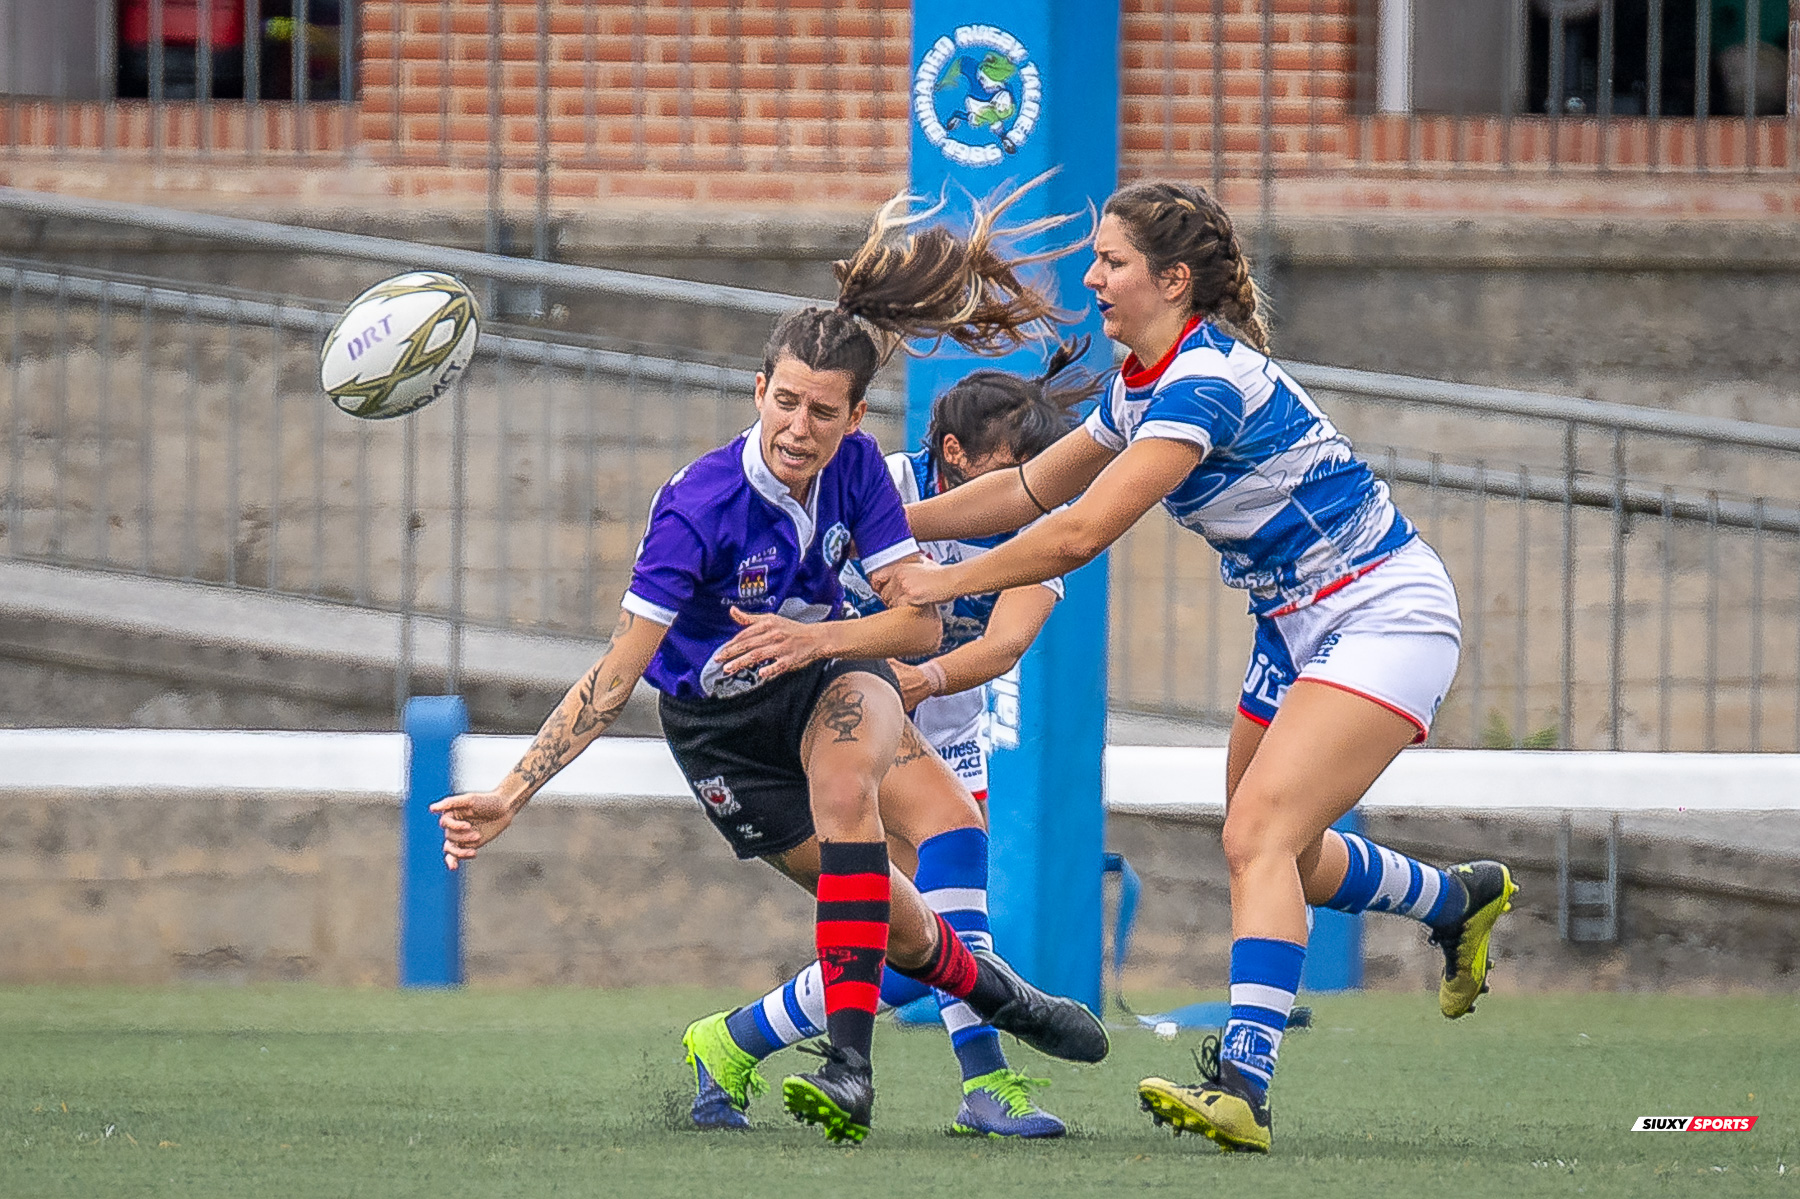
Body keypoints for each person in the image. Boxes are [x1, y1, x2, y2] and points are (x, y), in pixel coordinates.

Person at [431, 189, 1108, 1148]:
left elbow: (918, 626)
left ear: (852, 416)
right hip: (719, 733)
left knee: (923, 810)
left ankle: (856, 1070)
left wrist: (819, 640)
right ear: (759, 393)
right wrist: (509, 790)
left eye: (822, 411)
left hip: (823, 685)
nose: (799, 426)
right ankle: (996, 998)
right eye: (784, 402)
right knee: (905, 932)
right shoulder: (697, 507)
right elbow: (619, 673)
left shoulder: (862, 470)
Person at [883, 180, 1518, 1154]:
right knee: (1280, 852)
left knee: (1258, 835)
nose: (1091, 277)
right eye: (1095, 257)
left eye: (1113, 261)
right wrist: (879, 527)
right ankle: (1454, 900)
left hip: (1384, 613)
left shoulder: (1203, 383)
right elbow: (1021, 490)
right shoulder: (1137, 383)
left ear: (1173, 280)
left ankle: (1244, 1084)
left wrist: (919, 581)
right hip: (1295, 624)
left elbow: (1076, 531)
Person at [681, 342, 1093, 1139]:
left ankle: (732, 1038)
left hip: (945, 735)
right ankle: (987, 1083)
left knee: (909, 952)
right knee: (918, 931)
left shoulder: (1032, 534)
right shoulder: (880, 485)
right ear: (953, 454)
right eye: (1011, 470)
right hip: (849, 729)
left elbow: (1004, 645)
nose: (1025, 492)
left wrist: (924, 679)